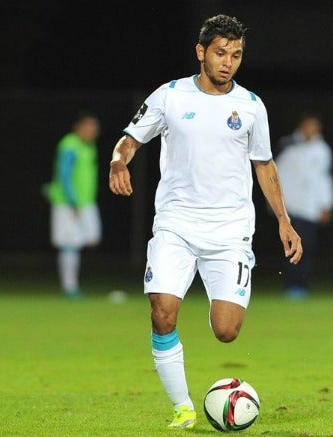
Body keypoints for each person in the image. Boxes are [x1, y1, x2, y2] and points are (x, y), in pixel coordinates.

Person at [108, 14, 303, 429]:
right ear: (201, 52)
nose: (227, 62)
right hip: (176, 225)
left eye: (235, 55)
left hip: (231, 231)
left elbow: (264, 165)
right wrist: (116, 162)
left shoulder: (250, 106)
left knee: (226, 331)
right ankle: (182, 407)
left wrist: (283, 221)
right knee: (162, 311)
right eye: (219, 53)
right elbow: (130, 138)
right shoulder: (170, 96)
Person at [274, 113, 333, 300]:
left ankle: (302, 285)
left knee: (307, 247)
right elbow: (275, 174)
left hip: (310, 208)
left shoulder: (322, 150)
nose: (312, 131)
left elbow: (324, 178)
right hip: (291, 208)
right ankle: (291, 285)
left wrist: (326, 204)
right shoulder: (288, 146)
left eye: (315, 127)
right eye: (309, 126)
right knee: (291, 248)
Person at [44, 112, 102, 298]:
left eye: (95, 127)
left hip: (86, 202)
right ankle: (69, 288)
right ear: (78, 127)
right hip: (68, 203)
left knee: (92, 238)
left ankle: (74, 283)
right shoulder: (69, 145)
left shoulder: (89, 145)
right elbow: (64, 174)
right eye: (88, 127)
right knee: (70, 244)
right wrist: (72, 201)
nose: (92, 131)